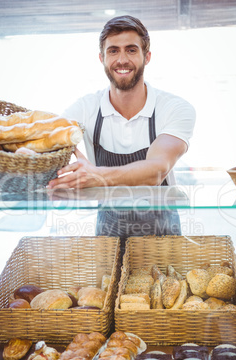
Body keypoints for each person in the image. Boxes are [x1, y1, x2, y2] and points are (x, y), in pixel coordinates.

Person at [48, 15, 196, 254]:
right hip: (109, 236)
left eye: (131, 50)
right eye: (113, 51)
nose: (122, 60)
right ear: (102, 58)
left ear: (146, 57)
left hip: (164, 238)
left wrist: (96, 176)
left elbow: (156, 170)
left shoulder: (174, 108)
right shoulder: (86, 108)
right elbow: (50, 136)